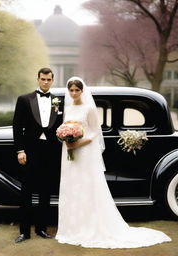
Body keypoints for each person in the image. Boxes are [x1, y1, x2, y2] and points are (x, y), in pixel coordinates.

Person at [55, 76, 171, 248]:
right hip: (69, 152)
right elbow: (64, 127)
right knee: (72, 186)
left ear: (82, 91)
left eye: (77, 90)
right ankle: (72, 227)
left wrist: (77, 142)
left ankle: (88, 226)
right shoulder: (68, 107)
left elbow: (95, 132)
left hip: (83, 149)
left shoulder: (88, 108)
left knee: (86, 186)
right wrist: (66, 139)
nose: (73, 93)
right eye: (71, 90)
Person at [13, 67, 63, 243]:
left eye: (49, 79)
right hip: (29, 151)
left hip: (50, 152)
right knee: (26, 191)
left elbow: (61, 125)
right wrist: (20, 150)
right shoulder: (24, 99)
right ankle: (24, 232)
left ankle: (42, 229)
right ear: (38, 79)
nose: (45, 82)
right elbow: (17, 127)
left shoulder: (58, 100)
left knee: (45, 191)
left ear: (52, 80)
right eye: (43, 79)